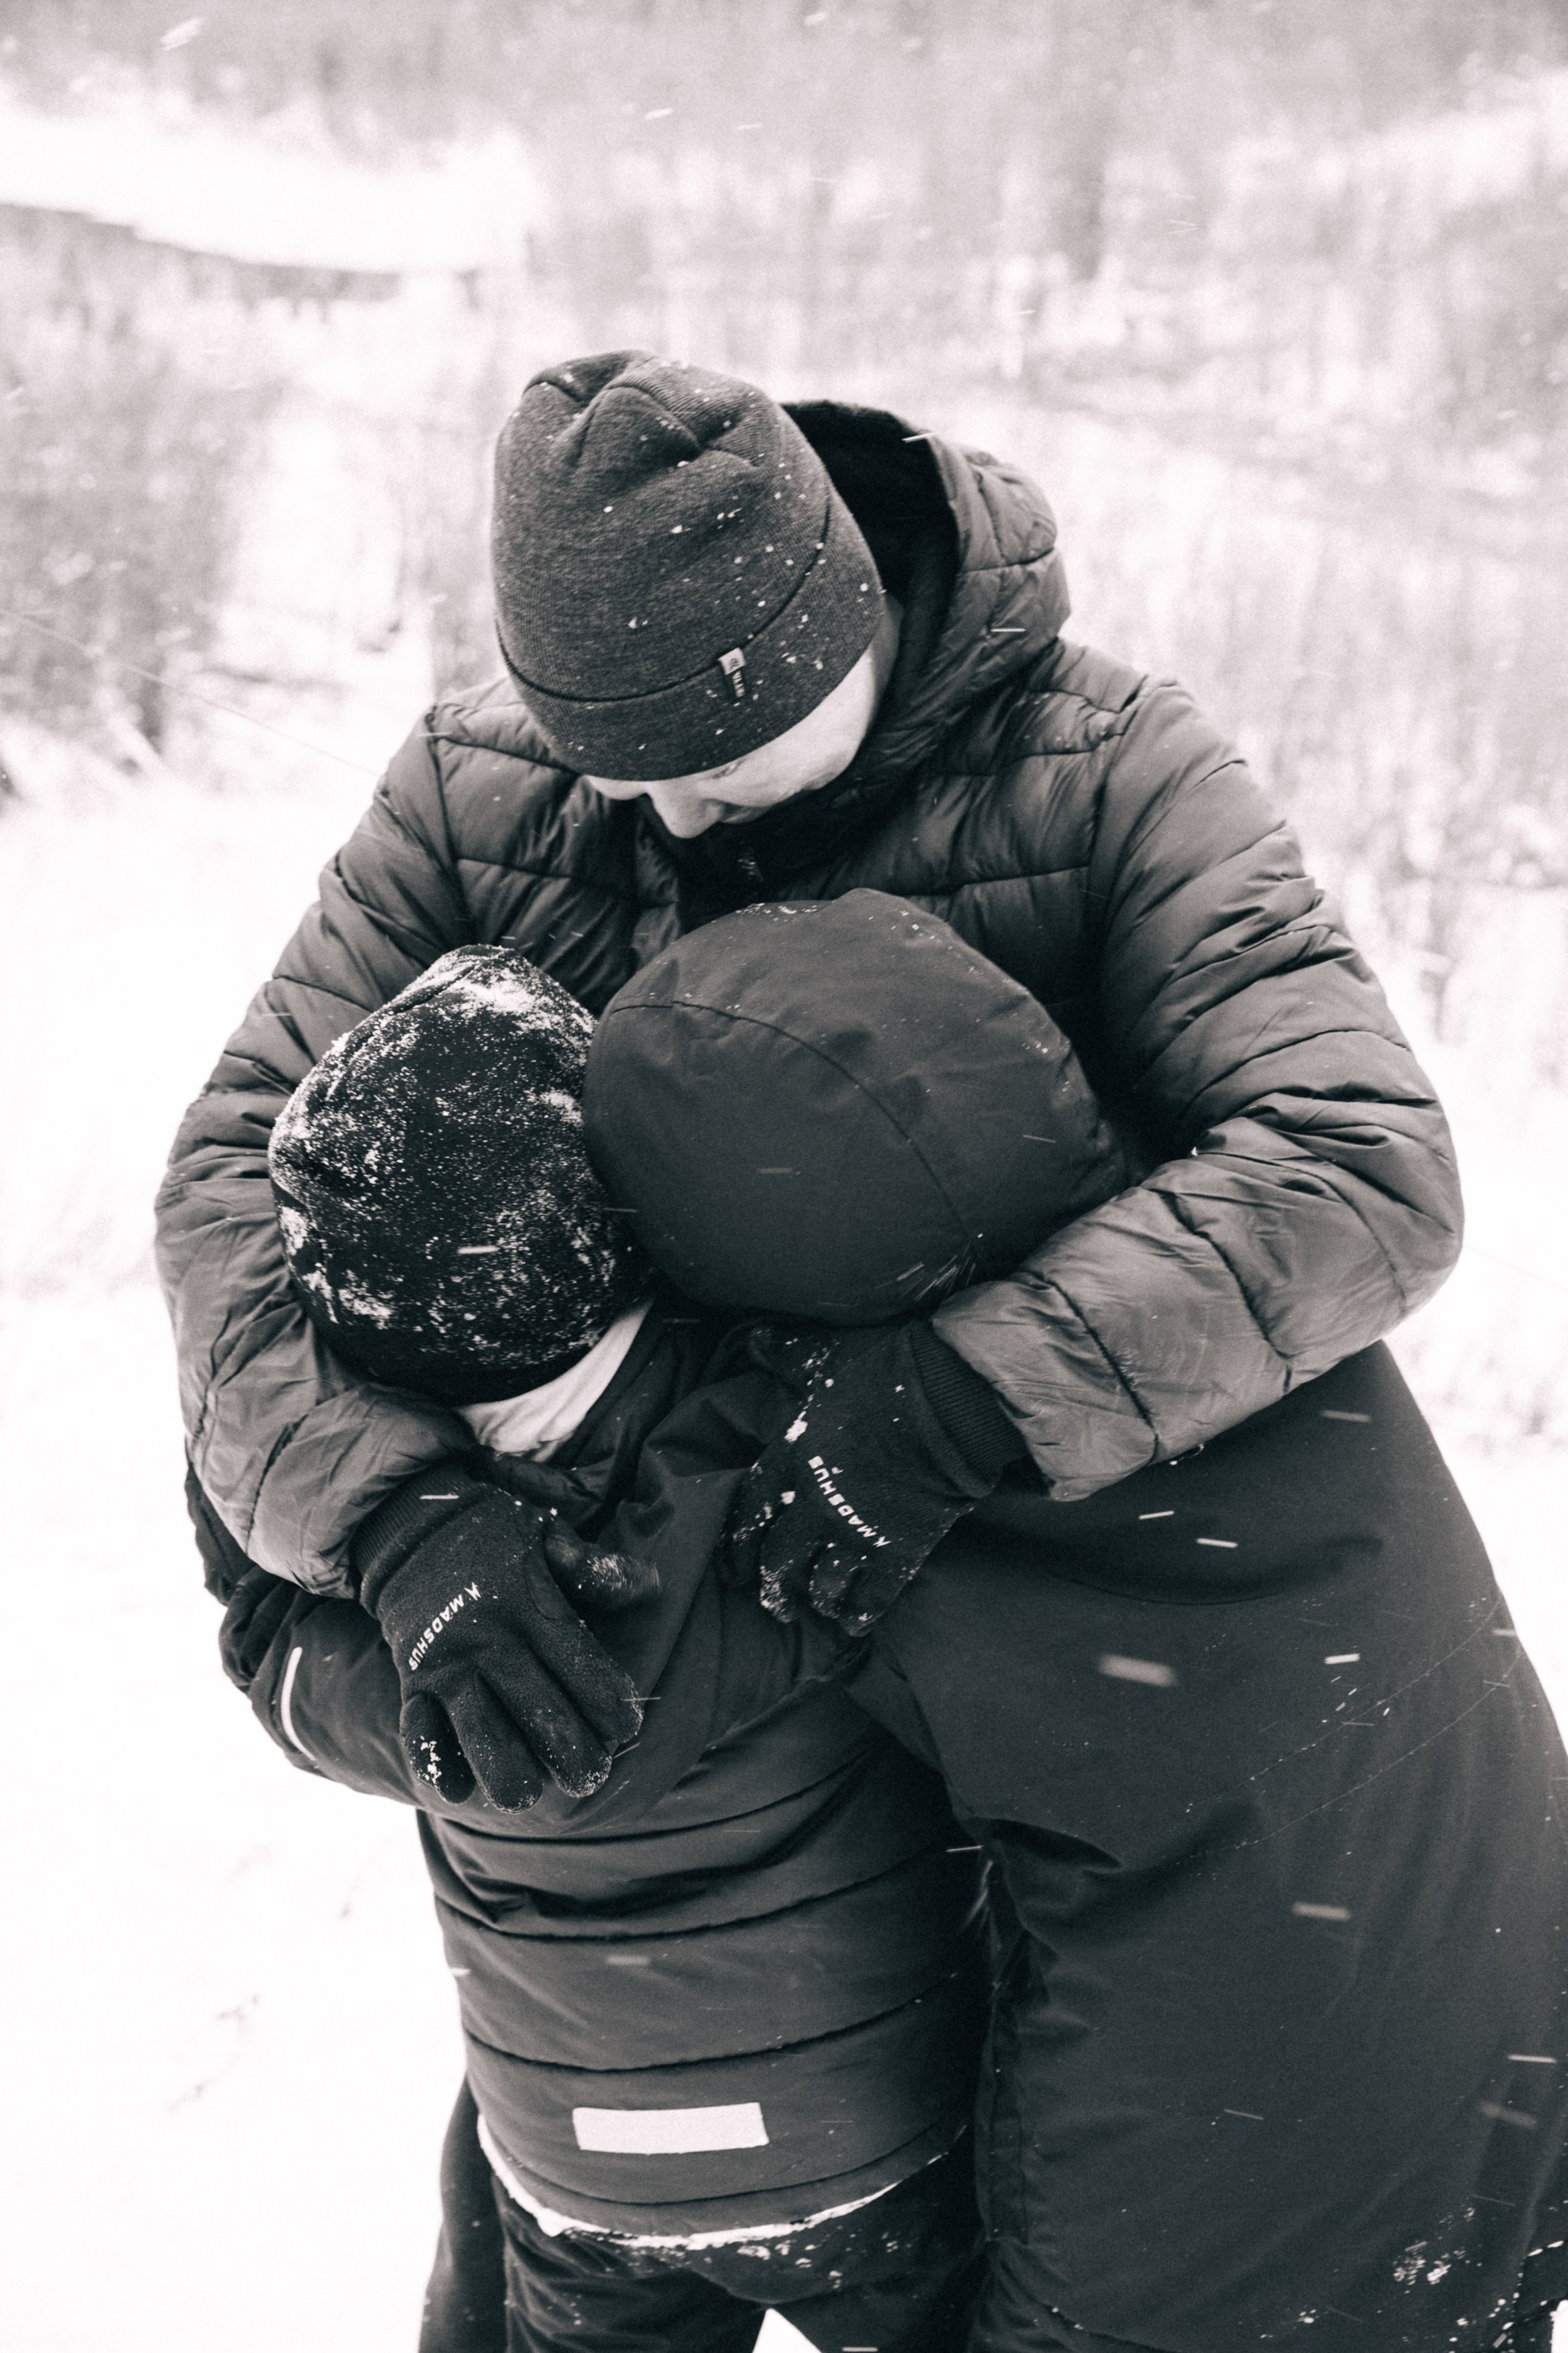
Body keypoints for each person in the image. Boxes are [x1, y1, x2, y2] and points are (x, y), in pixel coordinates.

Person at [210, 896, 1566, 2352]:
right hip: (904, 2137)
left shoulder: (489, 1553)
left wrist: (294, 1629)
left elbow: (480, 1694)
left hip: (603, 2161)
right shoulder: (802, 1424)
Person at [156, 348, 1464, 1818]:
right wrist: (386, 1509)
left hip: (1035, 1621)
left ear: (839, 630)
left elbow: (1358, 1166)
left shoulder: (1111, 775)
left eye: (713, 756)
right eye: (613, 764)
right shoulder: (478, 789)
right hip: (679, 1671)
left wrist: (975, 1387)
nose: (666, 811)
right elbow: (241, 1164)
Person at [206, 912, 1126, 2353]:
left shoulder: (388, 1615)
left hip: (571, 2159)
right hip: (864, 2137)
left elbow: (263, 1626)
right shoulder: (769, 1443)